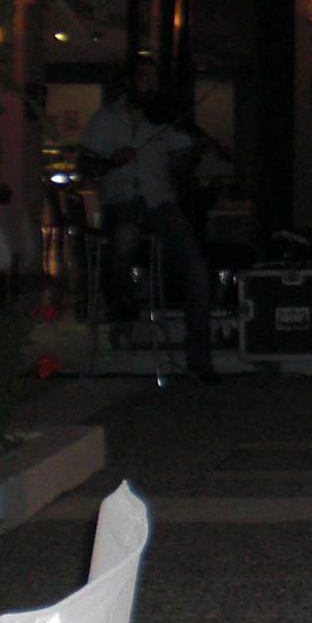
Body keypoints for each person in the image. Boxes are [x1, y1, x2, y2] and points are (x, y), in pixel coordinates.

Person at [78, 55, 217, 384]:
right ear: (128, 81)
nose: (151, 87)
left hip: (160, 202)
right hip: (122, 201)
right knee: (124, 236)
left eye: (154, 81)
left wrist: (193, 150)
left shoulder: (161, 118)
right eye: (144, 79)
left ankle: (199, 358)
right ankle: (120, 302)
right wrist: (111, 162)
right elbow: (85, 166)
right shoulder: (105, 119)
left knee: (196, 267)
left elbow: (181, 166)